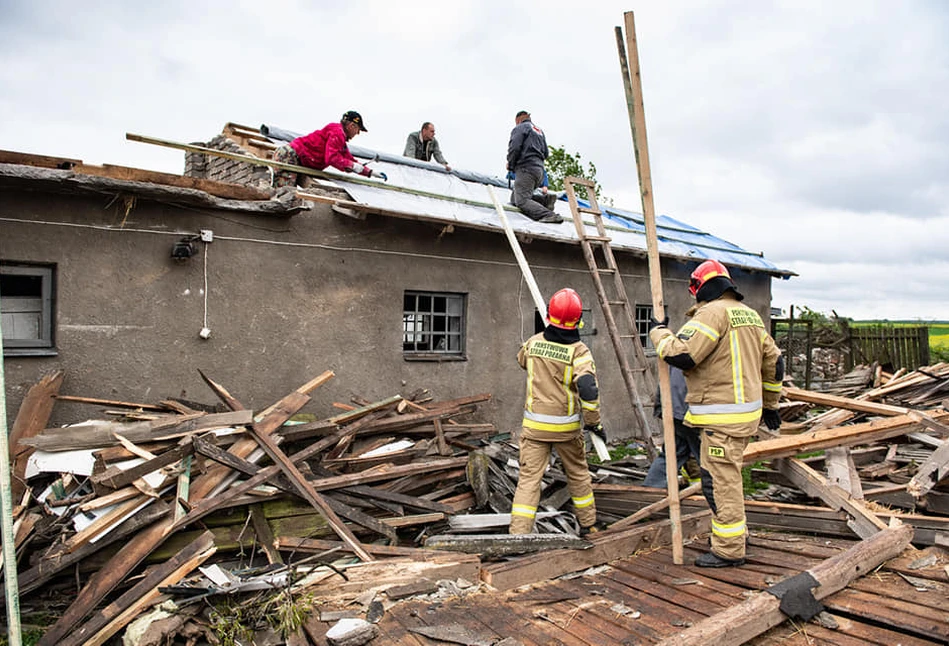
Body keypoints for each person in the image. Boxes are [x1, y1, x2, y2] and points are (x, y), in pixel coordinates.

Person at [648, 259, 783, 568]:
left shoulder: (711, 313)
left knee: (720, 483)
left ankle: (729, 549)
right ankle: (737, 536)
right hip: (744, 417)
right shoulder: (750, 316)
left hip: (720, 419)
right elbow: (775, 364)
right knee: (726, 478)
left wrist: (659, 333)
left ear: (699, 289)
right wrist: (771, 404)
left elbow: (684, 355)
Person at [510, 288, 602, 536]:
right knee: (578, 475)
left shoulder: (533, 343)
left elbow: (521, 361)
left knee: (529, 481)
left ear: (549, 315)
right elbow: (587, 387)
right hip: (566, 429)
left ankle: (518, 536)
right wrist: (594, 424)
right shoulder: (580, 351)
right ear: (578, 319)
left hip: (535, 427)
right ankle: (588, 525)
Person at [272, 111, 387, 188]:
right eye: (358, 129)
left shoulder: (339, 138)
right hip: (290, 156)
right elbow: (332, 158)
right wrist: (352, 166)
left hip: (292, 157)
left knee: (286, 195)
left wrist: (370, 172)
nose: (357, 133)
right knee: (284, 195)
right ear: (352, 126)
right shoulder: (337, 132)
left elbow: (347, 158)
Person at [642, 364, 703, 489]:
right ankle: (718, 499)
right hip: (691, 412)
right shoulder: (699, 348)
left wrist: (660, 406)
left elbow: (665, 378)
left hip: (674, 409)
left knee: (673, 454)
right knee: (710, 458)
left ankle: (651, 490)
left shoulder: (676, 348)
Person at [506, 110, 563, 224]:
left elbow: (515, 147)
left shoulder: (520, 128)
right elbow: (546, 153)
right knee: (514, 200)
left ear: (518, 120)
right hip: (539, 171)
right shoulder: (539, 131)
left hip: (526, 170)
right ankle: (545, 200)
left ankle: (549, 215)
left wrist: (511, 164)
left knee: (522, 201)